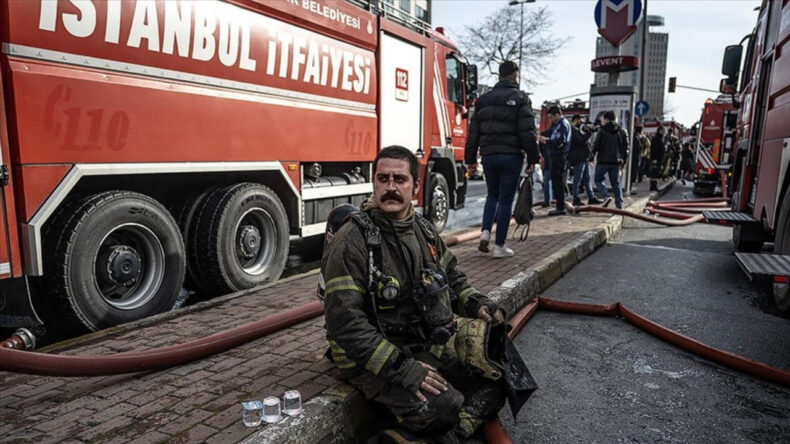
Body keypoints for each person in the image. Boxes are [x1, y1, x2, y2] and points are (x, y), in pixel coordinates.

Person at [323, 146, 510, 443]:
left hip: (417, 344)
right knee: (443, 407)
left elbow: (453, 279)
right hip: (368, 355)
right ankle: (436, 431)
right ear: (374, 182)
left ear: (416, 186)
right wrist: (405, 370)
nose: (390, 187)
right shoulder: (353, 239)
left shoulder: (424, 231)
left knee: (498, 380)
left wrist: (479, 304)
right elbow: (344, 324)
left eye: (400, 179)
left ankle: (420, 438)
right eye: (383, 178)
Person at [465, 61, 539, 257]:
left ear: (499, 75)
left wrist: (470, 158)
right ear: (515, 76)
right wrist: (533, 158)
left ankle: (485, 232)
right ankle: (499, 246)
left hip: (488, 154)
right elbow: (528, 132)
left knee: (492, 195)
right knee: (506, 200)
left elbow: (473, 133)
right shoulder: (521, 98)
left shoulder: (483, 100)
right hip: (511, 156)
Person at [591, 110, 629, 209]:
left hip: (602, 161)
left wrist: (591, 157)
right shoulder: (622, 131)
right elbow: (626, 148)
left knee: (598, 180)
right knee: (616, 183)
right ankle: (619, 205)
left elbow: (596, 145)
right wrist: (624, 160)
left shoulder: (602, 130)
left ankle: (606, 196)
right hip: (616, 161)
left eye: (603, 119)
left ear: (606, 119)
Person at [538, 105, 571, 215]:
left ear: (557, 115)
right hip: (555, 155)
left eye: (551, 117)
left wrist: (546, 141)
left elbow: (559, 142)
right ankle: (559, 205)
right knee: (556, 181)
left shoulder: (562, 125)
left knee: (558, 182)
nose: (550, 120)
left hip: (559, 156)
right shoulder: (557, 125)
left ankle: (560, 207)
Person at [569, 115, 601, 206]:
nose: (582, 123)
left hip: (584, 158)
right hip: (578, 158)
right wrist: (589, 133)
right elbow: (580, 141)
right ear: (576, 120)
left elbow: (585, 143)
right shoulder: (572, 130)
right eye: (580, 121)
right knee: (577, 179)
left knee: (587, 179)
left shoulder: (578, 130)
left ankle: (591, 197)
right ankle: (576, 198)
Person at [539, 128, 553, 207]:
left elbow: (541, 149)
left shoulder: (545, 133)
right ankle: (557, 200)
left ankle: (548, 201)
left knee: (547, 181)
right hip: (558, 161)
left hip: (548, 163)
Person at [649, 126, 666, 191]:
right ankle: (653, 187)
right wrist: (654, 158)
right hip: (655, 159)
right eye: (662, 131)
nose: (663, 132)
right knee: (654, 173)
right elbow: (655, 149)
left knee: (656, 173)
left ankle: (654, 186)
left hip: (658, 159)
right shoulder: (656, 139)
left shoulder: (660, 138)